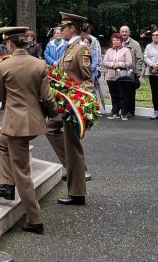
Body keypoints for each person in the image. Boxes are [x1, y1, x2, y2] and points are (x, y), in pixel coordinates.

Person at [0, 26, 59, 235]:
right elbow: (47, 97)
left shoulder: (5, 66)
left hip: (16, 125)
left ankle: (35, 219)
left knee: (22, 172)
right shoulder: (39, 64)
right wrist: (55, 113)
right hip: (33, 121)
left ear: (9, 43)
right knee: (1, 143)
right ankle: (6, 184)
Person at [46, 12, 91, 205]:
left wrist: (82, 103)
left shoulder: (81, 49)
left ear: (71, 28)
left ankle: (77, 193)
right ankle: (75, 167)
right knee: (49, 128)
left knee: (73, 148)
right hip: (64, 103)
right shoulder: (68, 48)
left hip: (73, 105)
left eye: (63, 27)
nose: (60, 30)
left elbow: (87, 80)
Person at [103, 33, 132, 120]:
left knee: (123, 95)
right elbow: (104, 62)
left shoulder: (126, 50)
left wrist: (119, 64)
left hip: (122, 77)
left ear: (121, 41)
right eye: (114, 40)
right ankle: (114, 112)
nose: (115, 42)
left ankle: (123, 113)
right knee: (114, 95)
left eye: (117, 40)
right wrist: (112, 65)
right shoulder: (109, 51)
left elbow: (129, 63)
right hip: (111, 77)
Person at [120, 26, 143, 118]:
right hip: (119, 72)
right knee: (121, 93)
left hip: (131, 72)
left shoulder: (135, 44)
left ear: (129, 33)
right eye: (122, 31)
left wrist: (138, 71)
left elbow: (139, 59)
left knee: (130, 93)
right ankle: (122, 111)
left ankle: (130, 111)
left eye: (126, 32)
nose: (124, 33)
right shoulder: (117, 42)